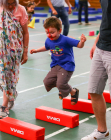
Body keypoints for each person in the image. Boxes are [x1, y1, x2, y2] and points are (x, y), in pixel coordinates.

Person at [0, 0, 29, 119]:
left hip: (13, 51)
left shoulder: (21, 10)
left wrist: (25, 51)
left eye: (13, 3)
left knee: (8, 77)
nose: (10, 6)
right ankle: (11, 93)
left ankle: (4, 107)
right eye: (7, 3)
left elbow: (25, 33)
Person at [30, 17, 86, 105]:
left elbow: (79, 45)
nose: (49, 35)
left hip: (66, 65)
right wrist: (37, 50)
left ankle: (73, 92)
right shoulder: (48, 40)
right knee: (47, 82)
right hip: (55, 65)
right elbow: (47, 47)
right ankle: (62, 88)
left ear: (60, 30)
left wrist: (82, 42)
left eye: (52, 32)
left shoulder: (65, 39)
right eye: (47, 32)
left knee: (60, 84)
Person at [81, 0, 111, 139]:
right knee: (94, 90)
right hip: (101, 47)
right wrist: (95, 42)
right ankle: (102, 131)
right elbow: (106, 18)